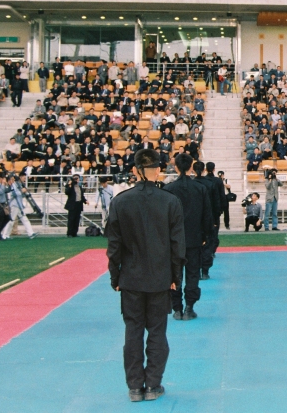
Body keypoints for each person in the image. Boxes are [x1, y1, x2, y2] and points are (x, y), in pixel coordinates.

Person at [106, 148, 185, 403]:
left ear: (134, 170)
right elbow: (177, 245)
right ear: (158, 169)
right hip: (160, 277)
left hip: (131, 278)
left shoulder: (120, 201)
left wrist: (114, 277)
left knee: (133, 332)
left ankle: (134, 387)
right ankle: (153, 384)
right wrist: (176, 276)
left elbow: (114, 245)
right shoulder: (169, 201)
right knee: (158, 332)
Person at [164, 153, 212, 321]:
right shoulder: (199, 188)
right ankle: (189, 307)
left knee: (174, 274)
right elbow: (207, 215)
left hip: (174, 240)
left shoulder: (168, 189)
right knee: (192, 273)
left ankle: (177, 308)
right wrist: (206, 235)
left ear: (175, 167)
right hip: (194, 238)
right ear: (191, 167)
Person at [199, 162, 226, 279]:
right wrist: (220, 212)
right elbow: (220, 197)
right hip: (212, 214)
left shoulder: (201, 183)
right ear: (214, 169)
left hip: (200, 214)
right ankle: (211, 253)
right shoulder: (217, 182)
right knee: (212, 235)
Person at [2, 174, 36, 240]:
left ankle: (31, 233)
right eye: (11, 179)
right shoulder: (10, 186)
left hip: (18, 205)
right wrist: (21, 191)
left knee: (24, 219)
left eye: (13, 179)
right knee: (11, 221)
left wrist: (24, 192)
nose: (13, 180)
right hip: (14, 205)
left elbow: (20, 195)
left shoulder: (15, 185)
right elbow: (14, 194)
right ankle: (4, 235)